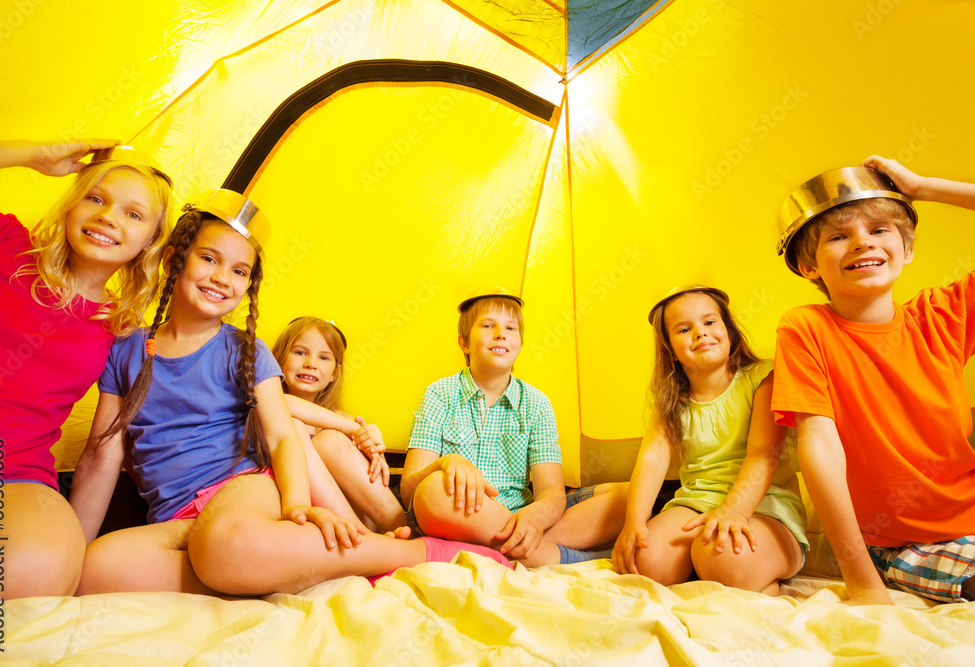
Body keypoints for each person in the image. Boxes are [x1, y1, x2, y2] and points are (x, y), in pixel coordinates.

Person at [70, 191, 507, 596]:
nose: (222, 278)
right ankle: (273, 568)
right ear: (172, 260)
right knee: (95, 570)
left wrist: (298, 506)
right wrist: (75, 547)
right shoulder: (126, 350)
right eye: (208, 259)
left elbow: (282, 437)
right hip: (174, 518)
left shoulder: (244, 350)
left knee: (226, 545)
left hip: (239, 490)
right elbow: (100, 455)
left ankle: (415, 553)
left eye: (239, 271)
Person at [0, 139, 172, 604]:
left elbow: (103, 452)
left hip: (9, 478)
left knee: (30, 575)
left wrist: (72, 561)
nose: (108, 216)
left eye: (133, 214)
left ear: (150, 243)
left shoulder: (123, 332)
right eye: (96, 198)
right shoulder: (1, 242)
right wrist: (29, 153)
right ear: (72, 203)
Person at [772, 156, 975, 605]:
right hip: (903, 543)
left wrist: (924, 187)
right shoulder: (806, 328)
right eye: (839, 236)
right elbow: (819, 446)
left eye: (879, 230)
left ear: (907, 250)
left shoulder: (944, 314)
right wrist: (861, 580)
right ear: (809, 266)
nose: (863, 243)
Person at [400, 289, 627, 567]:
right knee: (433, 491)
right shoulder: (440, 394)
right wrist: (446, 462)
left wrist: (535, 517)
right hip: (462, 513)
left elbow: (551, 492)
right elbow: (409, 489)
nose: (500, 334)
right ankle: (563, 557)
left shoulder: (536, 403)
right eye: (487, 325)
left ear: (519, 343)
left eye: (510, 328)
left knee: (628, 497)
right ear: (464, 343)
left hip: (523, 513)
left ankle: (504, 547)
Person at [611, 286, 807, 595]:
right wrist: (634, 521)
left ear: (728, 330)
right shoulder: (671, 400)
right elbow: (651, 459)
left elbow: (763, 454)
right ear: (670, 349)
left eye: (710, 323)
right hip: (695, 504)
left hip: (763, 508)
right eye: (685, 329)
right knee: (643, 559)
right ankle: (710, 571)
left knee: (721, 555)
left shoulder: (761, 378)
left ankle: (749, 575)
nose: (700, 333)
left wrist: (733, 512)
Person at [272, 316, 406, 534]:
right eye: (299, 352)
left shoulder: (343, 421)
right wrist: (352, 428)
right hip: (302, 517)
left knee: (332, 440)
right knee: (296, 426)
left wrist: (370, 446)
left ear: (334, 374)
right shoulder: (269, 406)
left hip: (360, 518)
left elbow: (369, 478)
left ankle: (401, 529)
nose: (311, 363)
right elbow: (280, 403)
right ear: (278, 361)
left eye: (324, 357)